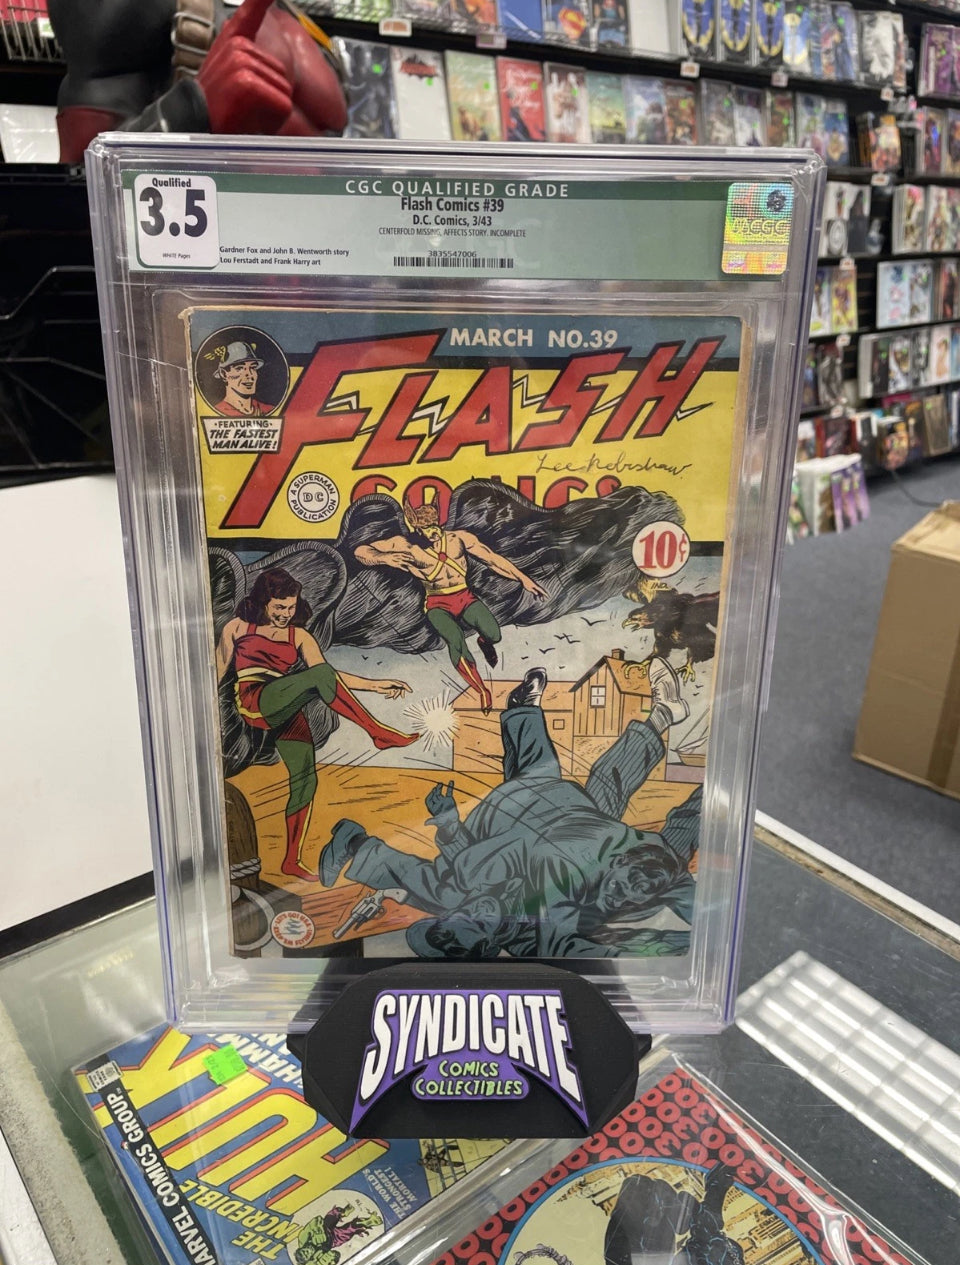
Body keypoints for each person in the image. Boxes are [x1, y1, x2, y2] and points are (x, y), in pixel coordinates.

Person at [318, 658, 699, 957]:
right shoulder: (551, 910)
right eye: (483, 920)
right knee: (610, 805)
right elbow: (591, 945)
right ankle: (665, 721)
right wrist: (693, 947)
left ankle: (526, 711)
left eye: (465, 913)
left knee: (538, 781)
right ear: (494, 935)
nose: (478, 909)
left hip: (513, 814)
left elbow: (420, 867)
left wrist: (443, 825)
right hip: (570, 822)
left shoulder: (456, 889)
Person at [216, 567, 417, 882]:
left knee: (306, 779)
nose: (286, 614)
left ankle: (291, 860)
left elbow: (328, 677)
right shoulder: (238, 627)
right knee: (316, 679)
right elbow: (218, 671)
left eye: (291, 607)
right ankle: (378, 733)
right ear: (263, 602)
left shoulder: (299, 636)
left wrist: (375, 685)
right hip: (257, 700)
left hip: (286, 705)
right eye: (279, 607)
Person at [354, 498, 547, 713]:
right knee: (455, 640)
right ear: (416, 529)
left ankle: (484, 642)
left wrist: (523, 579)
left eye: (435, 525)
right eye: (426, 528)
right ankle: (481, 689)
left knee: (494, 634)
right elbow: (361, 551)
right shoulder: (405, 545)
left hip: (464, 597)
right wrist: (384, 558)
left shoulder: (459, 539)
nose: (433, 532)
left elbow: (492, 559)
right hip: (436, 603)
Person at [212, 341, 274, 416]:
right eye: (240, 368)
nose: (249, 374)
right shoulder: (215, 412)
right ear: (223, 374)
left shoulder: (270, 410)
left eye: (253, 367)